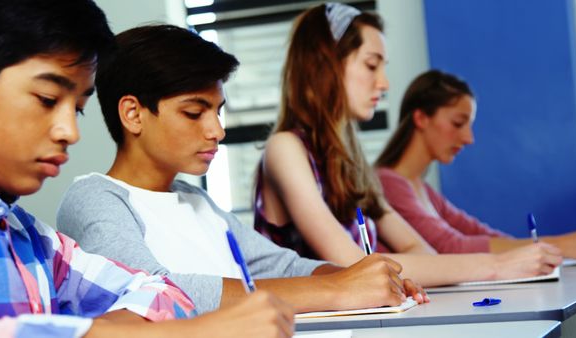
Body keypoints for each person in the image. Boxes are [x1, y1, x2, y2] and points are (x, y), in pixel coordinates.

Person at [0, 1, 295, 337]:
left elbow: (164, 294)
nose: (71, 132)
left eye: (79, 109)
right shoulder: (96, 199)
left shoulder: (33, 238)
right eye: (47, 98)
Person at [56, 23, 426, 315]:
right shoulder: (95, 198)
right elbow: (151, 294)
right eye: (194, 112)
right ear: (133, 114)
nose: (217, 130)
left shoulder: (196, 201)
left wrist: (364, 279)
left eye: (217, 111)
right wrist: (338, 289)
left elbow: (284, 266)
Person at [254, 3, 563, 287]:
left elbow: (415, 246)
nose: (385, 83)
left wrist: (480, 270)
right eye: (372, 65)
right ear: (325, 66)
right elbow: (355, 266)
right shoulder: (285, 149)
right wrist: (496, 266)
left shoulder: (352, 162)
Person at [375, 69, 576, 258]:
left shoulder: (421, 189)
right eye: (458, 123)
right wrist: (554, 245)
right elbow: (450, 247)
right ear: (421, 118)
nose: (469, 138)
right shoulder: (388, 183)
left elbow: (475, 231)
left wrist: (535, 253)